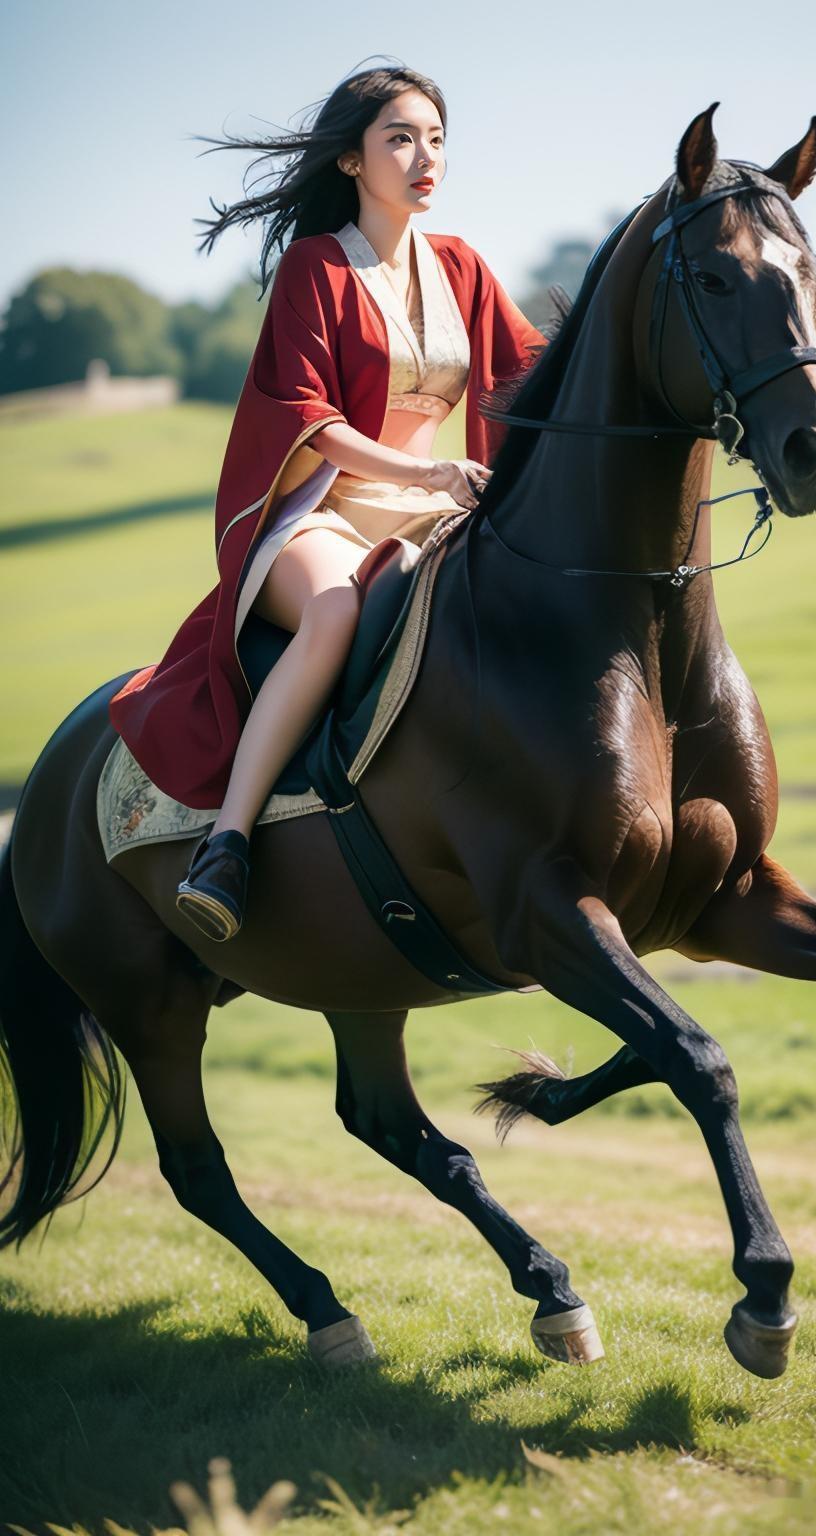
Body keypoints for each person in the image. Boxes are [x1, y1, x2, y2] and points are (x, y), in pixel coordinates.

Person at [107, 63, 547, 942]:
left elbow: (532, 374)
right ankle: (225, 846)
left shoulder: (462, 266)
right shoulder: (315, 268)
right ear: (351, 160)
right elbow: (308, 421)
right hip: (320, 512)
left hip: (431, 513)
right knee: (339, 609)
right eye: (399, 138)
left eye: (435, 138)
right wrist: (427, 474)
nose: (425, 156)